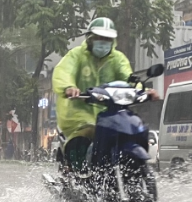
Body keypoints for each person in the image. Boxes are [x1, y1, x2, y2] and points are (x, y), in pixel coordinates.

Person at [52, 17, 157, 171]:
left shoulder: (118, 59)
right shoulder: (76, 55)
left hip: (110, 112)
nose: (103, 42)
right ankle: (79, 172)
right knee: (86, 132)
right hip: (78, 112)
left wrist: (145, 91)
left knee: (133, 128)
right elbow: (64, 72)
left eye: (107, 39)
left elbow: (129, 79)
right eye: (99, 38)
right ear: (90, 38)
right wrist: (69, 87)